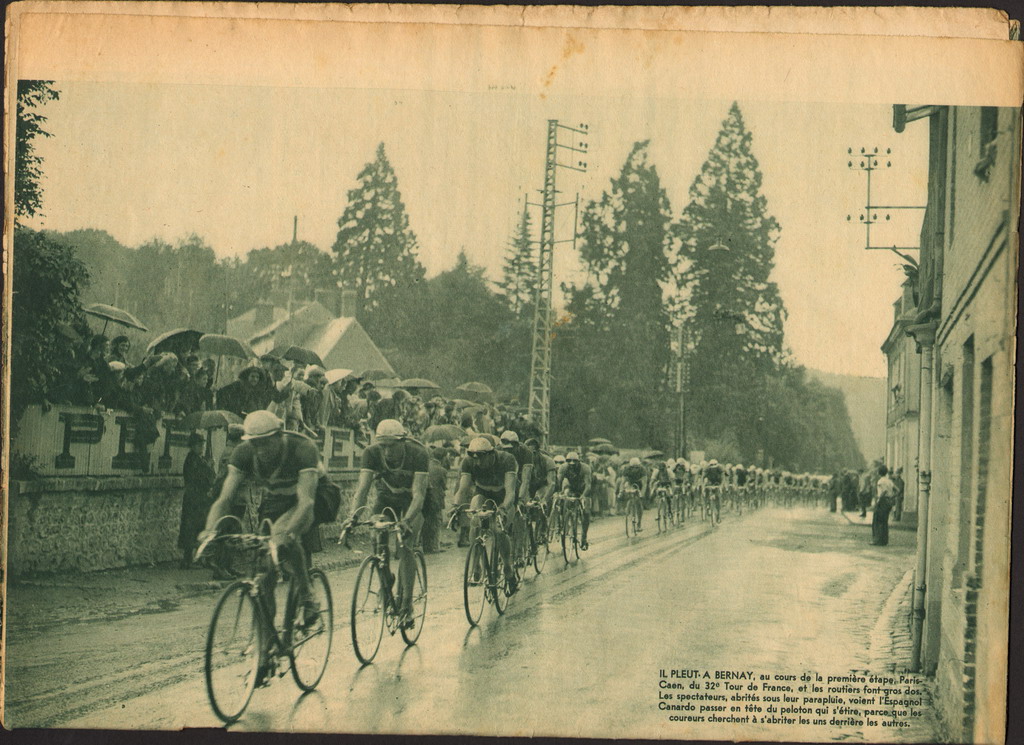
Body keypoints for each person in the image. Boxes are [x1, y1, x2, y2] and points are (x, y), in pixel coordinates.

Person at [199, 410, 320, 681]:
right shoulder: (243, 453)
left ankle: (307, 594)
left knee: (283, 536)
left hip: (312, 497)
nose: (260, 449)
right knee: (265, 570)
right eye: (254, 443)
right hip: (276, 498)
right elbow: (225, 498)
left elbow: (306, 502)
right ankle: (265, 650)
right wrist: (210, 530)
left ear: (278, 436)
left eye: (265, 442)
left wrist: (285, 533)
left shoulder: (302, 448)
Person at [345, 419, 428, 627]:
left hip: (412, 500)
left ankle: (407, 605)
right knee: (376, 534)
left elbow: (419, 495)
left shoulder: (418, 453)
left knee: (406, 544)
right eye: (383, 446)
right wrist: (352, 517)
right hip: (387, 497)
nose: (387, 451)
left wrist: (407, 520)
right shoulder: (371, 453)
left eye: (392, 446)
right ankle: (385, 574)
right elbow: (362, 490)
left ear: (403, 442)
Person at [452, 436, 519, 592]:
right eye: (474, 457)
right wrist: (455, 506)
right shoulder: (468, 462)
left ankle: (508, 568)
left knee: (498, 529)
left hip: (504, 496)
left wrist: (503, 508)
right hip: (483, 494)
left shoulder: (506, 459)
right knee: (475, 519)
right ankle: (476, 565)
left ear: (491, 453)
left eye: (482, 457)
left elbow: (510, 492)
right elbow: (462, 489)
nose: (478, 462)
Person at [179, 433, 216, 568]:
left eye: (203, 444)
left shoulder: (199, 459)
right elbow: (198, 478)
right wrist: (208, 467)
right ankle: (188, 560)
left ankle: (196, 558)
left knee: (197, 527)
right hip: (194, 498)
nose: (202, 447)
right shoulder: (192, 460)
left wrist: (209, 466)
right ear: (193, 446)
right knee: (191, 528)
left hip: (199, 499)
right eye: (199, 444)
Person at [557, 451, 593, 549]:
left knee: (586, 512)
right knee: (563, 497)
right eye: (569, 461)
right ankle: (563, 520)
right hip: (571, 487)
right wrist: (558, 493)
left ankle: (584, 537)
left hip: (583, 489)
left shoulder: (585, 468)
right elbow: (558, 482)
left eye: (574, 462)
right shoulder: (563, 467)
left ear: (579, 461)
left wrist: (583, 496)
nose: (572, 464)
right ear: (566, 461)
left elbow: (588, 485)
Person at [422, 446, 450, 553]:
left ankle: (427, 546)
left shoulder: (426, 466)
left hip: (425, 499)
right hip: (436, 499)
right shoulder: (442, 470)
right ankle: (434, 547)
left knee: (426, 523)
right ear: (443, 457)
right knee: (436, 523)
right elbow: (443, 485)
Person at [617, 457, 647, 527]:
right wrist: (621, 491)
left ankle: (639, 522)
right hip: (630, 482)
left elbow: (644, 483)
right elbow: (622, 482)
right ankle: (628, 507)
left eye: (636, 467)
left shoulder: (642, 469)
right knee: (627, 490)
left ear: (639, 466)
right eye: (633, 468)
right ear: (630, 466)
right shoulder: (626, 469)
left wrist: (641, 494)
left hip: (639, 483)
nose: (634, 469)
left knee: (638, 503)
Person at [872, 465, 897, 546]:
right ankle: (884, 540)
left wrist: (878, 500)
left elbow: (884, 491)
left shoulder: (880, 481)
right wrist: (892, 497)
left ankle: (877, 540)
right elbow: (898, 490)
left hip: (882, 501)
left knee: (878, 520)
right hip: (888, 501)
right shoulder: (889, 481)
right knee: (884, 521)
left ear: (879, 472)